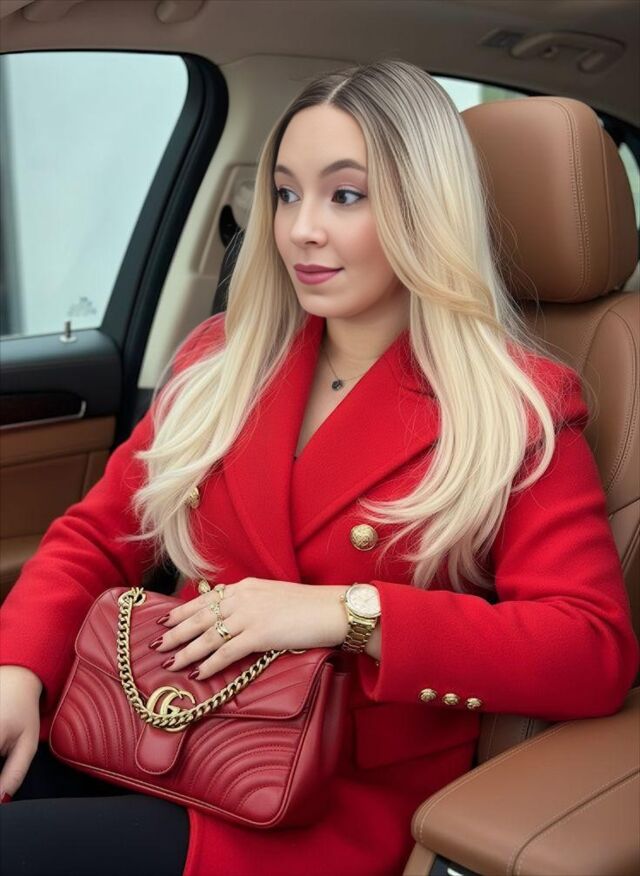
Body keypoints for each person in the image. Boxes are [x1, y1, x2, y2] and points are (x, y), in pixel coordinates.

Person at [0, 58, 638, 876]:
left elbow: (589, 649)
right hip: (149, 724)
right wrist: (19, 667)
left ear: (425, 209)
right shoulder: (224, 360)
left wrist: (345, 613)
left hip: (322, 800)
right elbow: (95, 537)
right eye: (286, 193)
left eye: (345, 195)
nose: (301, 228)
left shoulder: (513, 409)